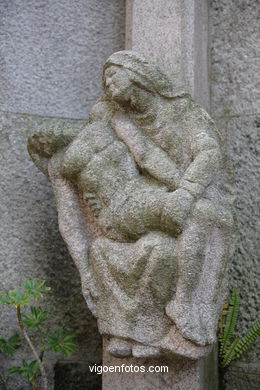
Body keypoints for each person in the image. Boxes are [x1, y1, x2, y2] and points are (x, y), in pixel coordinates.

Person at [28, 51, 234, 358]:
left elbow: (165, 155)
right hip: (127, 209)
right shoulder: (107, 121)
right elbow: (70, 219)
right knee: (200, 214)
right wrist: (85, 270)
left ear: (138, 74)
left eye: (114, 75)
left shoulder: (175, 111)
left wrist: (184, 189)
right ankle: (182, 307)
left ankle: (184, 308)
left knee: (208, 215)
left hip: (156, 193)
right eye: (105, 80)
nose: (108, 84)